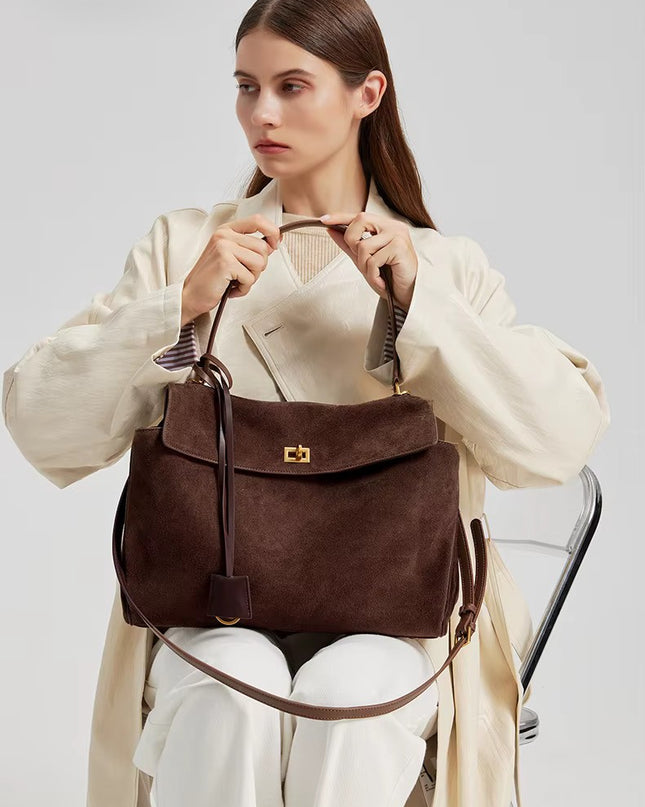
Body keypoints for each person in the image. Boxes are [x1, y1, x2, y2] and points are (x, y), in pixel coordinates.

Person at [1, 1, 611, 806]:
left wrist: (419, 307)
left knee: (352, 691)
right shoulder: (185, 249)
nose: (262, 113)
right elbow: (42, 422)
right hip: (210, 599)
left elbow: (556, 445)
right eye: (246, 87)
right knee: (230, 683)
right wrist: (180, 308)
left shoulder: (442, 266)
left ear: (368, 94)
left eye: (292, 86)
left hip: (400, 609)